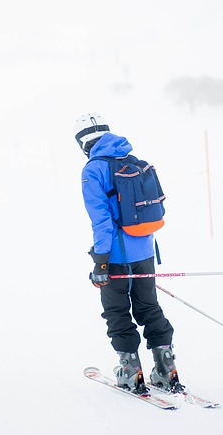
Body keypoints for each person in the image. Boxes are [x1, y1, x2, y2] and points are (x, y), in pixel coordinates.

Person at [75, 112, 183, 394]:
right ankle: (166, 369)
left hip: (115, 256)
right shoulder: (132, 161)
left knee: (117, 311)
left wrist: (101, 262)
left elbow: (101, 221)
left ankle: (130, 372)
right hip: (145, 250)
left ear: (83, 142)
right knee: (148, 307)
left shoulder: (92, 170)